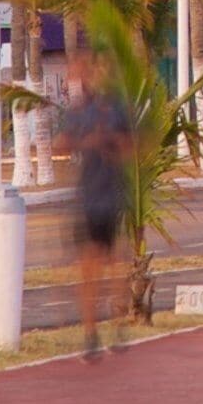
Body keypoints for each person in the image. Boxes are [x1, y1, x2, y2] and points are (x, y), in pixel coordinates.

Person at [62, 51, 137, 358]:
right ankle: (90, 334)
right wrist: (85, 142)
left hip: (112, 196)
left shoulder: (119, 109)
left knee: (115, 264)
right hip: (87, 197)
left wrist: (113, 143)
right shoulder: (80, 112)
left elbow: (134, 147)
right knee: (88, 268)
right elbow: (62, 143)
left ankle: (118, 326)